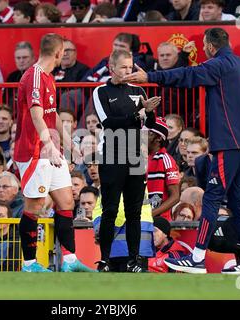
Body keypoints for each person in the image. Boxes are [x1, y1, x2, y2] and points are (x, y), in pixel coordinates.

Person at [124, 27, 240, 274]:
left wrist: (151, 77)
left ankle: (197, 257)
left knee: (211, 197)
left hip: (229, 144)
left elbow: (188, 75)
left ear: (209, 46)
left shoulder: (219, 64)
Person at [13, 33, 94, 273]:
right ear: (58, 53)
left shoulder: (48, 77)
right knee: (35, 205)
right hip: (33, 151)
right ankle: (29, 264)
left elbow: (52, 114)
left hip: (50, 150)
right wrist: (48, 143)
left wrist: (70, 143)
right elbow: (37, 114)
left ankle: (69, 261)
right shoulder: (35, 76)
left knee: (66, 201)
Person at [93, 49, 161, 272]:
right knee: (110, 211)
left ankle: (135, 260)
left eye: (130, 67)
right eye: (123, 67)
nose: (128, 71)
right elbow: (108, 122)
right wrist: (137, 115)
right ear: (111, 68)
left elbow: (147, 123)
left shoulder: (139, 90)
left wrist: (148, 111)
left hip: (135, 157)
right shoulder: (101, 91)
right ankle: (105, 260)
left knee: (134, 212)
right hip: (112, 157)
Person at [145, 117, 180, 221]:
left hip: (158, 221)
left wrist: (151, 214)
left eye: (148, 133)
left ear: (158, 138)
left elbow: (175, 196)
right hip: (139, 218)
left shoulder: (166, 160)